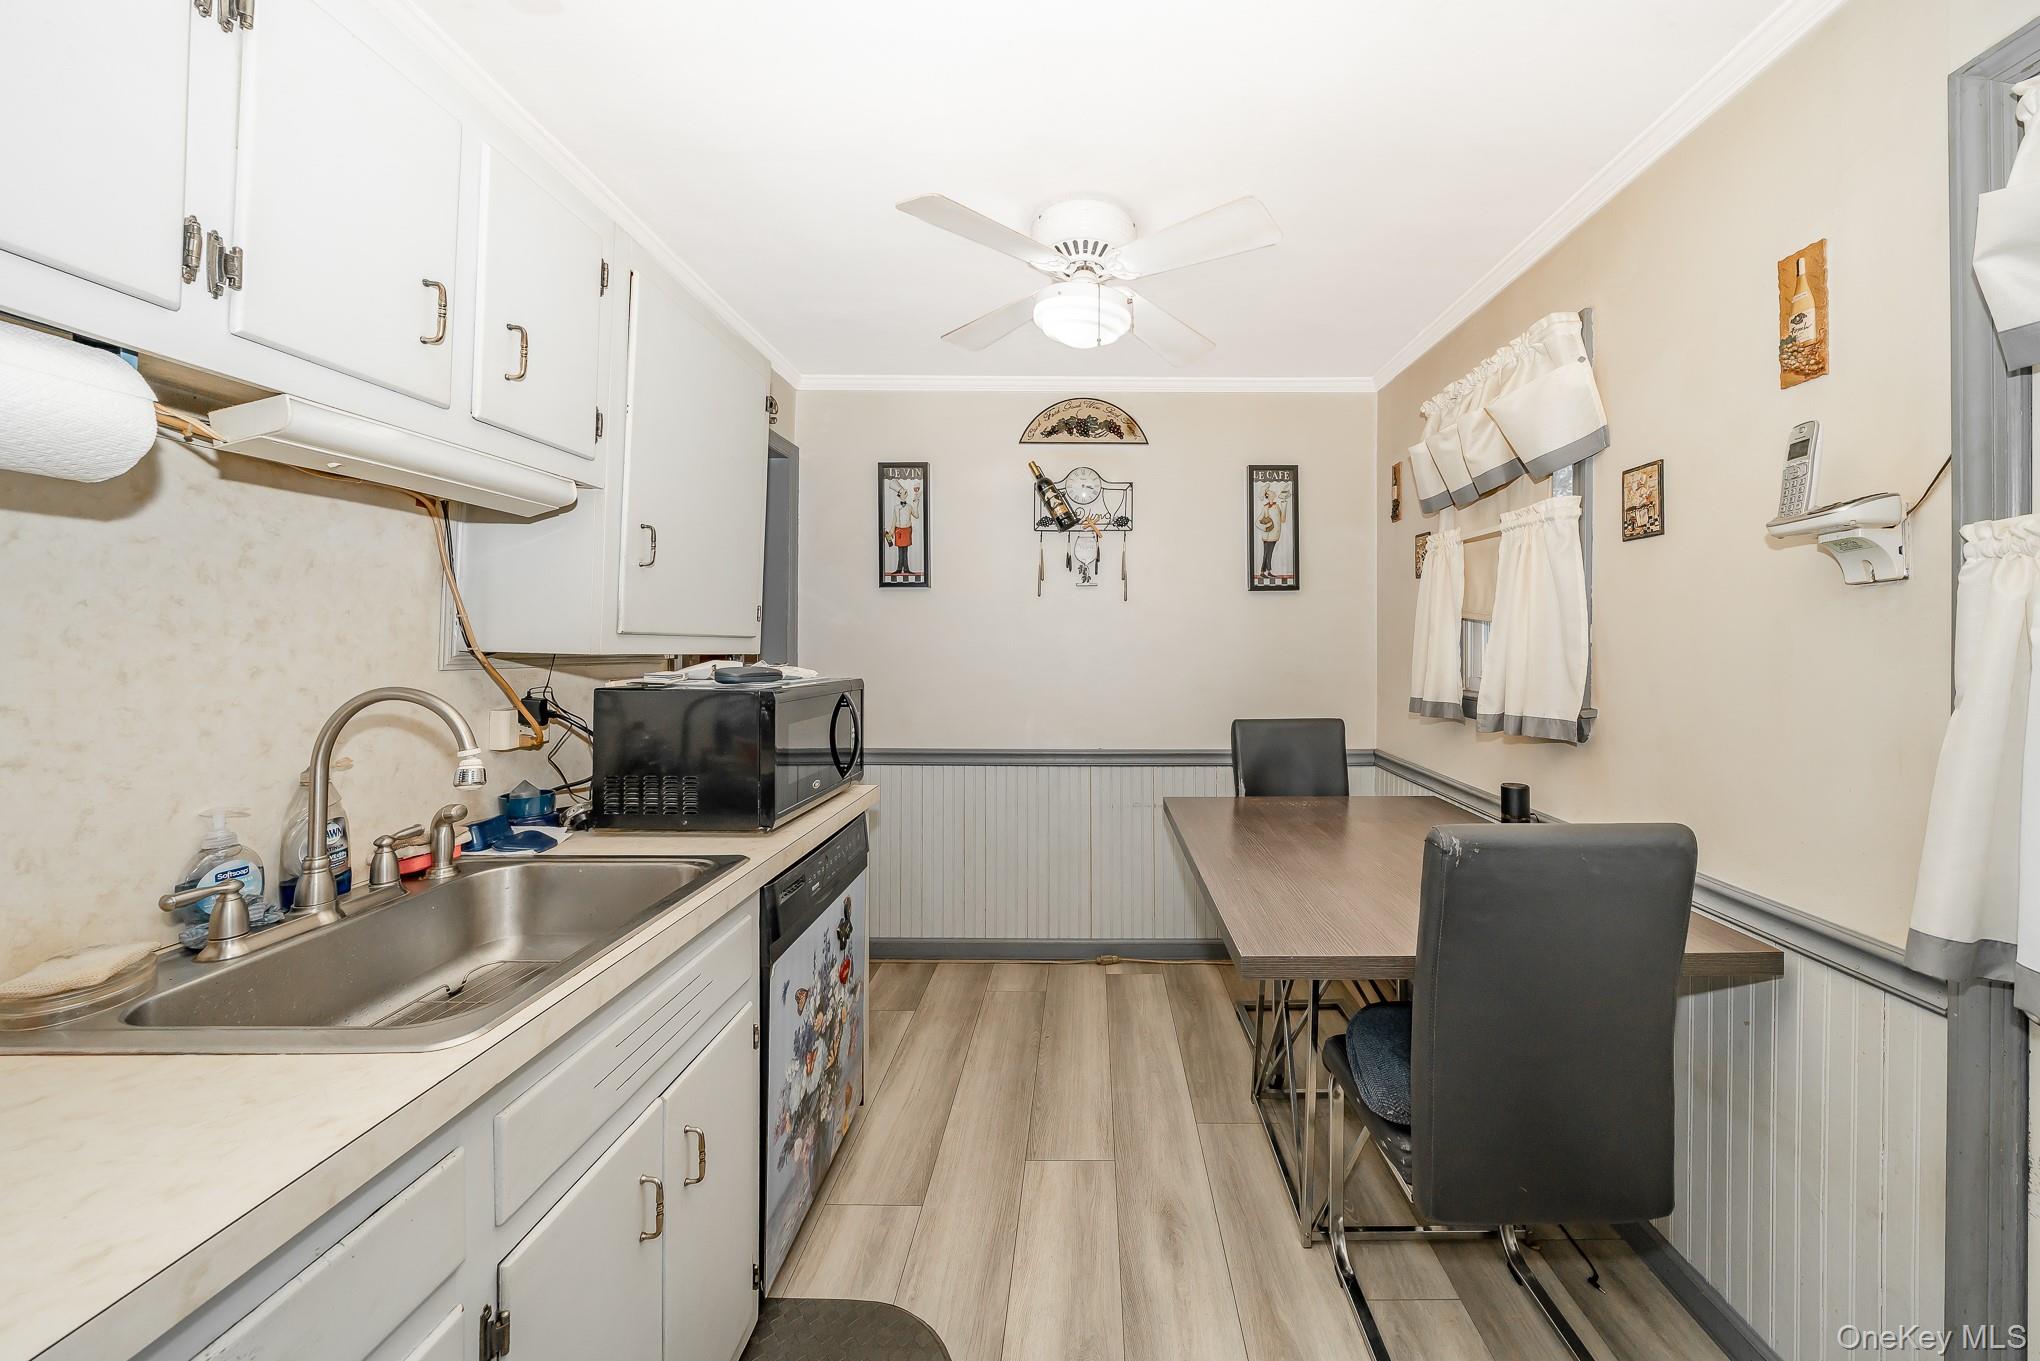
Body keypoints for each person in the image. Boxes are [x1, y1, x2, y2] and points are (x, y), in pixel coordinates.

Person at [889, 481, 919, 577]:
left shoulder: (909, 507)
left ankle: (906, 568)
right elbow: (894, 520)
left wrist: (916, 504)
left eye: (905, 491)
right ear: (899, 494)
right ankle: (899, 569)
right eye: (903, 491)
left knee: (905, 551)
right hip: (899, 530)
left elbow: (917, 516)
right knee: (900, 551)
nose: (905, 492)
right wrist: (891, 532)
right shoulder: (896, 507)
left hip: (906, 530)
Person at [1258, 486, 1287, 579]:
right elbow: (1258, 521)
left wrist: (1284, 503)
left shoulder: (1277, 506)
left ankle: (1266, 571)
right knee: (1267, 553)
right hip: (1268, 534)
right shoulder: (1265, 508)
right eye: (1271, 493)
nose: (1273, 494)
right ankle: (1264, 572)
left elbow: (1282, 520)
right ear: (1268, 496)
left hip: (1275, 534)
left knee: (1269, 553)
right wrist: (1265, 526)